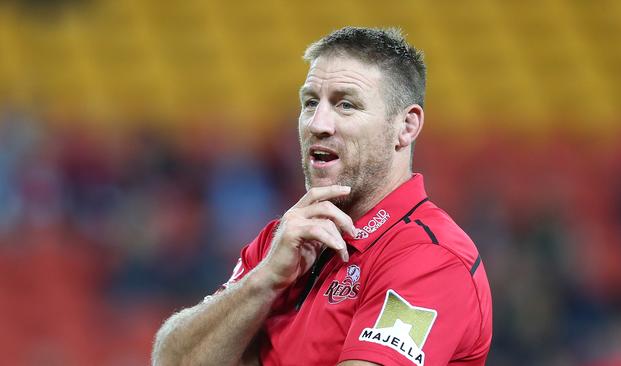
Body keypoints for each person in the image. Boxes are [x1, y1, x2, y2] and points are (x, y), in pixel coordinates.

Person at [152, 26, 492, 366]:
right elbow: (171, 361)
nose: (318, 123)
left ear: (405, 127)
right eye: (311, 102)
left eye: (346, 104)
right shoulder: (283, 241)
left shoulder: (430, 257)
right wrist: (265, 280)